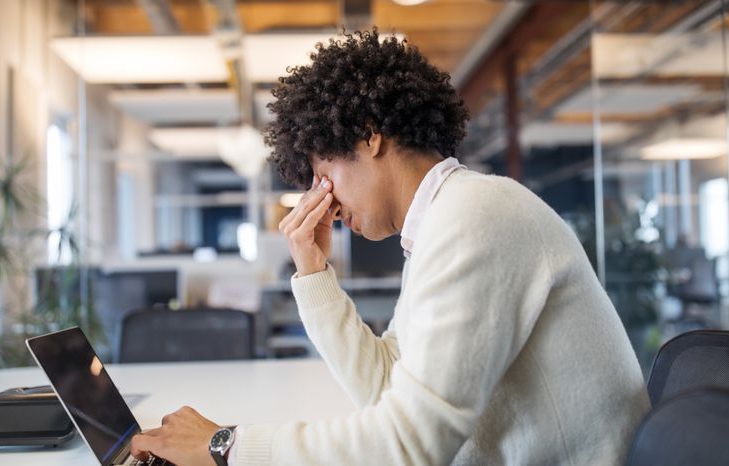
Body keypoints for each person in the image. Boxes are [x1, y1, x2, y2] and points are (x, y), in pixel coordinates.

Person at [131, 29, 649, 466]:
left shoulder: (477, 216)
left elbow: (409, 447)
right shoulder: (443, 223)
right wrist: (314, 275)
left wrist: (226, 447)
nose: (322, 201)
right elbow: (385, 389)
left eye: (322, 173)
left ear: (369, 135)